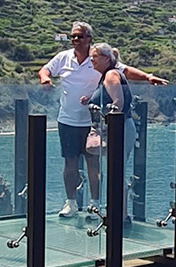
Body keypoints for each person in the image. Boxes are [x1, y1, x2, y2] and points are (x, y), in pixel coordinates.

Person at [38, 21, 165, 218]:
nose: (75, 40)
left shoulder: (99, 60)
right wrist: (45, 79)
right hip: (67, 120)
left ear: (89, 38)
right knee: (69, 163)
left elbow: (125, 72)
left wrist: (147, 76)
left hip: (93, 124)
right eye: (73, 36)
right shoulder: (64, 58)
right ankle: (71, 203)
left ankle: (95, 204)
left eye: (80, 36)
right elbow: (45, 69)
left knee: (94, 164)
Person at [84, 43, 137, 222]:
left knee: (117, 171)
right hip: (118, 129)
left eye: (95, 56)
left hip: (118, 129)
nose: (92, 59)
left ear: (107, 58)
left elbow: (118, 103)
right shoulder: (106, 76)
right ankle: (119, 214)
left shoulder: (111, 74)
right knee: (116, 170)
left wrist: (107, 128)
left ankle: (119, 216)